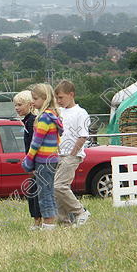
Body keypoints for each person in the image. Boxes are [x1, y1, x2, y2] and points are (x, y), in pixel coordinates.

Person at [22, 84, 62, 230]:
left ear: (45, 99)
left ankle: (48, 224)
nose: (33, 102)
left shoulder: (44, 118)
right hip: (52, 159)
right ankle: (51, 220)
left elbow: (36, 142)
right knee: (49, 191)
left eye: (35, 98)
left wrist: (28, 160)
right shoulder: (54, 115)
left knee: (44, 193)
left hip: (43, 161)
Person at [54, 80, 91, 226]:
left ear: (71, 95)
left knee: (59, 186)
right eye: (57, 98)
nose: (58, 101)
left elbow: (83, 136)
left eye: (61, 98)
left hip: (72, 155)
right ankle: (64, 222)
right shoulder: (60, 112)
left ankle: (80, 211)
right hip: (59, 154)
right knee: (59, 190)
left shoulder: (81, 113)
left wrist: (72, 154)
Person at [14, 90, 42, 230]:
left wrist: (31, 162)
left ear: (29, 105)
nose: (16, 108)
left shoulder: (32, 121)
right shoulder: (27, 121)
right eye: (15, 105)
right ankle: (37, 219)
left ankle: (38, 220)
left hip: (35, 161)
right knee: (33, 190)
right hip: (31, 160)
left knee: (35, 190)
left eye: (19, 104)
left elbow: (34, 143)